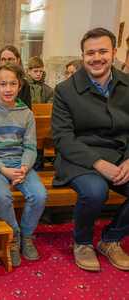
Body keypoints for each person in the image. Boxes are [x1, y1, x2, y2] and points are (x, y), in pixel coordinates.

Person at [51, 27, 129, 272]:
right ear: (83, 55)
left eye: (103, 51)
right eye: (90, 52)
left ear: (114, 52)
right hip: (80, 158)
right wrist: (98, 162)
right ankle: (83, 241)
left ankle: (111, 239)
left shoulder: (127, 85)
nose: (97, 58)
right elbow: (62, 137)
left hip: (120, 156)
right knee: (95, 192)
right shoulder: (65, 90)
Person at [0, 62, 48, 267]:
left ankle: (26, 234)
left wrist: (24, 167)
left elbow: (30, 148)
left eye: (13, 84)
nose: (8, 89)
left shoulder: (26, 113)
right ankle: (13, 236)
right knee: (3, 195)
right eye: (3, 84)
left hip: (20, 163)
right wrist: (4, 170)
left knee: (40, 195)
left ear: (20, 85)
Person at [25, 56, 53, 171]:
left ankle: (39, 168)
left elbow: (50, 105)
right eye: (35, 71)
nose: (38, 74)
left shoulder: (47, 89)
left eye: (40, 71)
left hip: (41, 122)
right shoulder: (24, 87)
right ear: (29, 71)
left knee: (39, 147)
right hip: (27, 122)